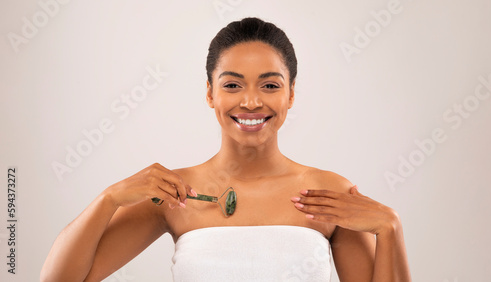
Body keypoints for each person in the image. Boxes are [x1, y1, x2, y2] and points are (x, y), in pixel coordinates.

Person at [41, 17, 411, 281]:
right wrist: (108, 199)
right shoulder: (173, 193)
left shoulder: (327, 194)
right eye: (233, 85)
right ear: (210, 93)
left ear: (291, 94)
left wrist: (390, 229)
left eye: (269, 86)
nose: (251, 102)